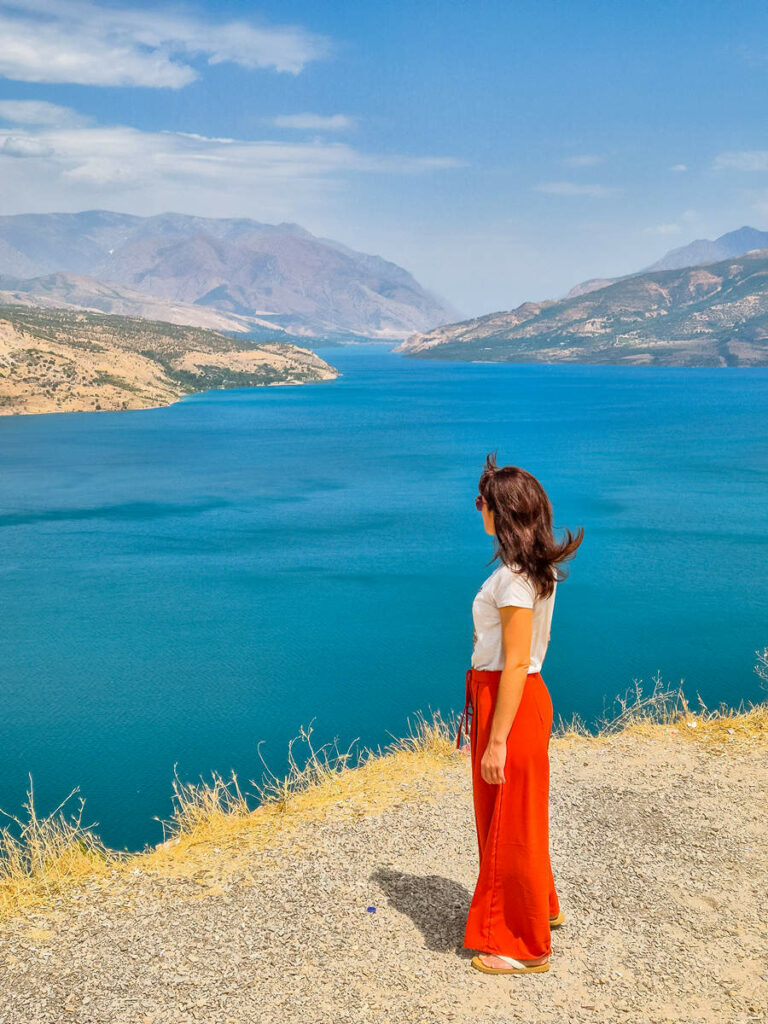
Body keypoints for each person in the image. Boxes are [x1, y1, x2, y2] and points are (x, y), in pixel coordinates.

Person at [456, 452, 583, 975]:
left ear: (499, 512)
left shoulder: (511, 579)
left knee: (509, 820)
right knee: (519, 815)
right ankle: (541, 908)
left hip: (508, 699)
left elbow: (513, 663)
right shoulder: (538, 568)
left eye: (481, 501)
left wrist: (497, 739)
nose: (476, 508)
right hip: (523, 698)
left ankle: (520, 945)